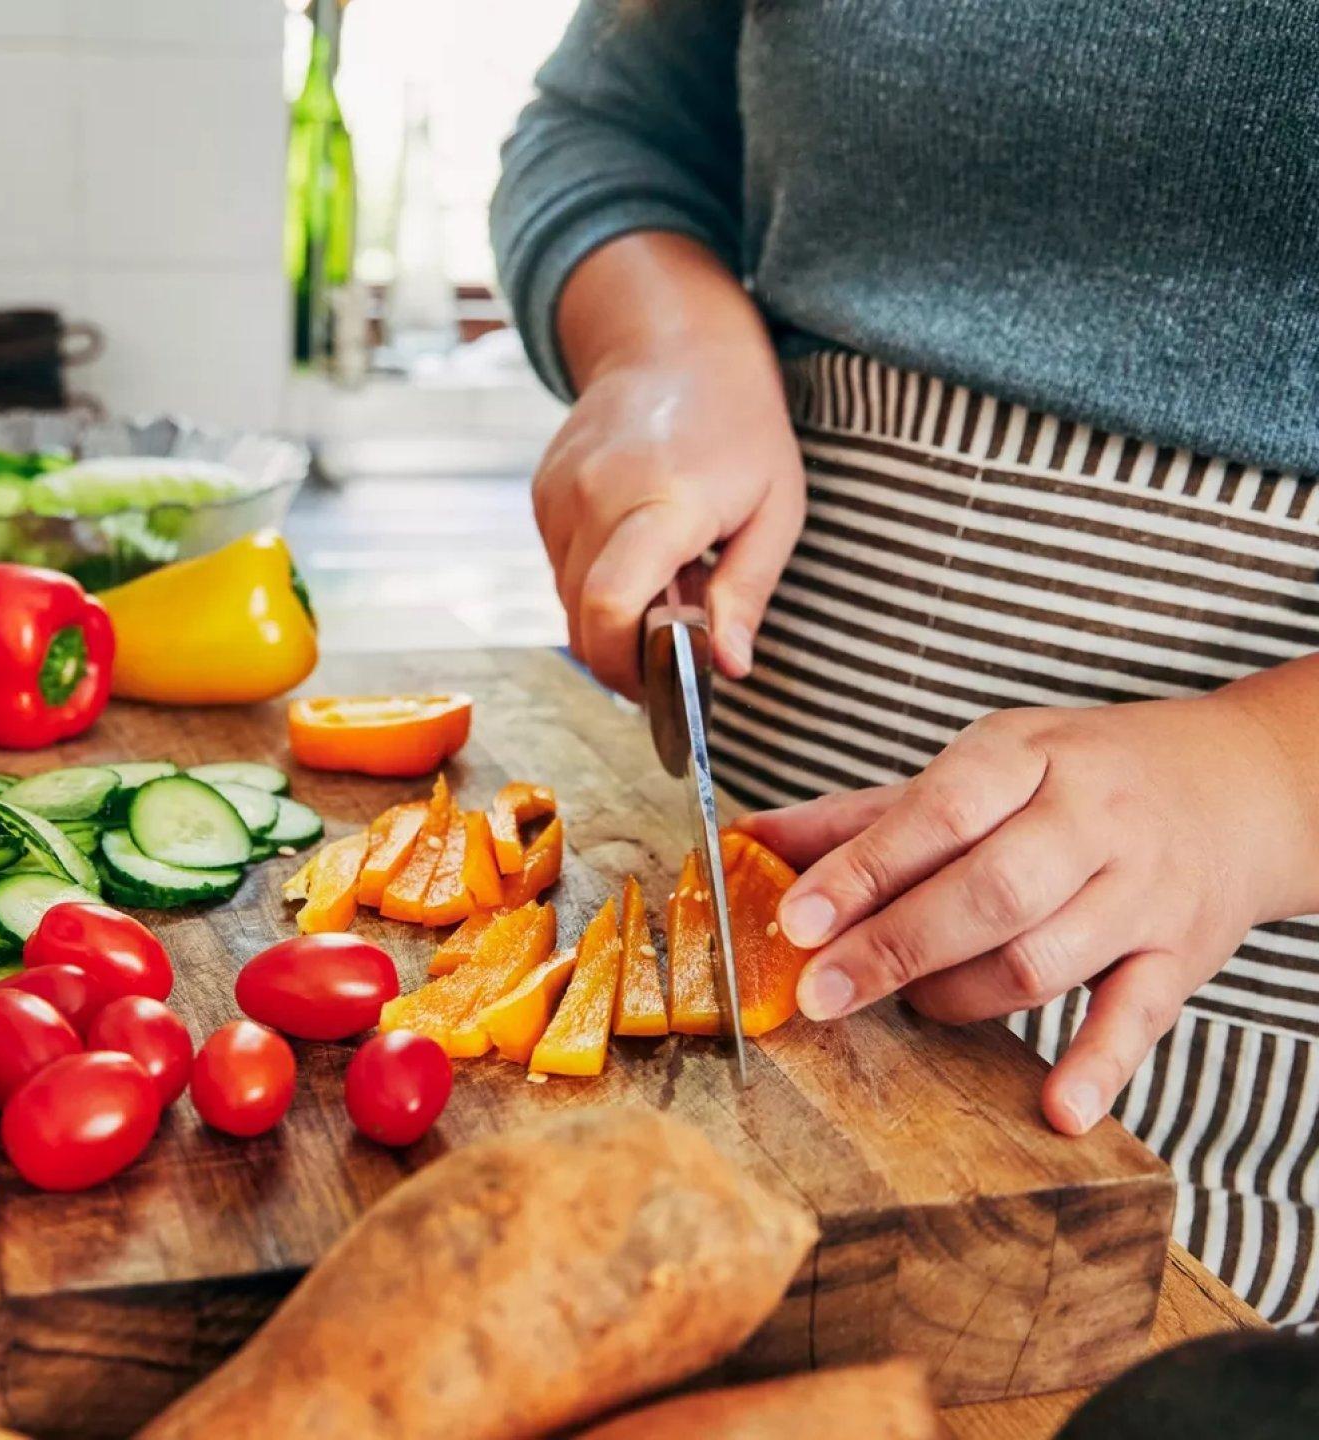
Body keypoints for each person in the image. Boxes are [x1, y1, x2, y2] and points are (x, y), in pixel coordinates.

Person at [490, 0, 1319, 1323]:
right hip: (726, 898)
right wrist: (664, 347)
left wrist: (1270, 782)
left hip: (1239, 1055)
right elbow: (609, 125)